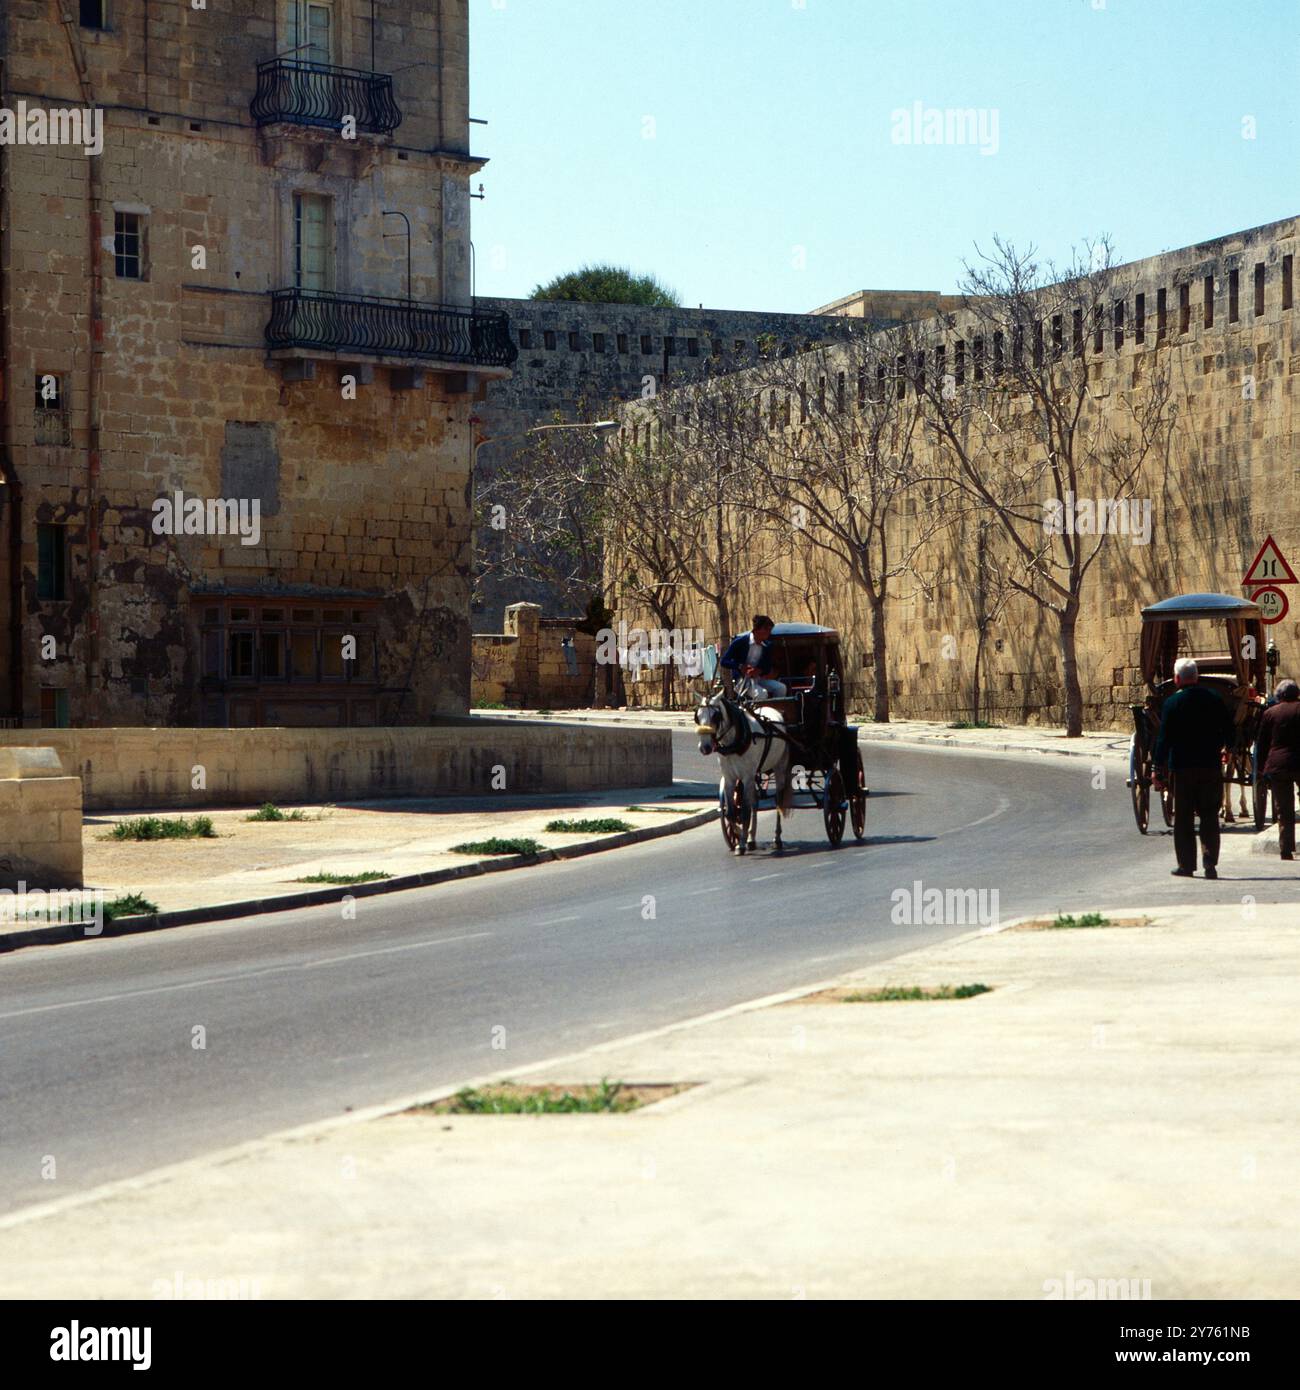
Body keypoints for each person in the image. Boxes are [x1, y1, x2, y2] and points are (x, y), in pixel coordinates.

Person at [1153, 657, 1235, 879]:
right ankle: (1210, 863)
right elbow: (1229, 729)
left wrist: (1157, 767)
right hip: (1210, 766)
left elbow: (1164, 740)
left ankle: (1186, 865)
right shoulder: (1214, 699)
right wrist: (1228, 748)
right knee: (1209, 815)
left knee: (1183, 817)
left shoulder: (1171, 704)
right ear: (1196, 677)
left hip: (1181, 768)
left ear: (1177, 679)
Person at [1254, 677, 1300, 859]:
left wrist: (1261, 769)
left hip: (1278, 765)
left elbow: (1262, 744)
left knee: (1284, 809)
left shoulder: (1270, 713)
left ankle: (1286, 849)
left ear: (1279, 695)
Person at [720, 615, 787, 700]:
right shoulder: (740, 642)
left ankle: (778, 710)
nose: (769, 632)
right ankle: (759, 713)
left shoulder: (767, 646)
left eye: (770, 630)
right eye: (766, 629)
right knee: (762, 694)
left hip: (758, 679)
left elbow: (768, 666)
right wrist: (740, 667)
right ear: (757, 629)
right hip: (742, 680)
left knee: (781, 688)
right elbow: (724, 661)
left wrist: (759, 670)